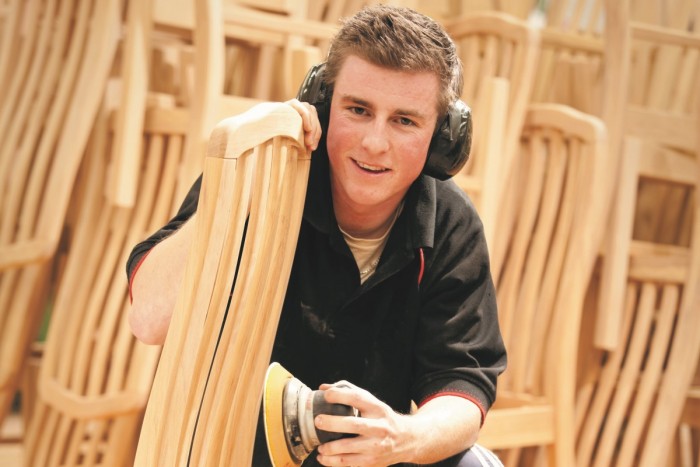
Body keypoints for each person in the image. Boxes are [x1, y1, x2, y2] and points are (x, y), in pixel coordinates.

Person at [127, 4, 506, 467]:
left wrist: (401, 437)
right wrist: (244, 170)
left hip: (369, 456)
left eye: (404, 121)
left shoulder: (452, 223)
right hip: (237, 444)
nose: (373, 143)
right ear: (323, 105)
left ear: (443, 138)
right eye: (358, 109)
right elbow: (149, 318)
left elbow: (462, 384)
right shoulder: (262, 175)